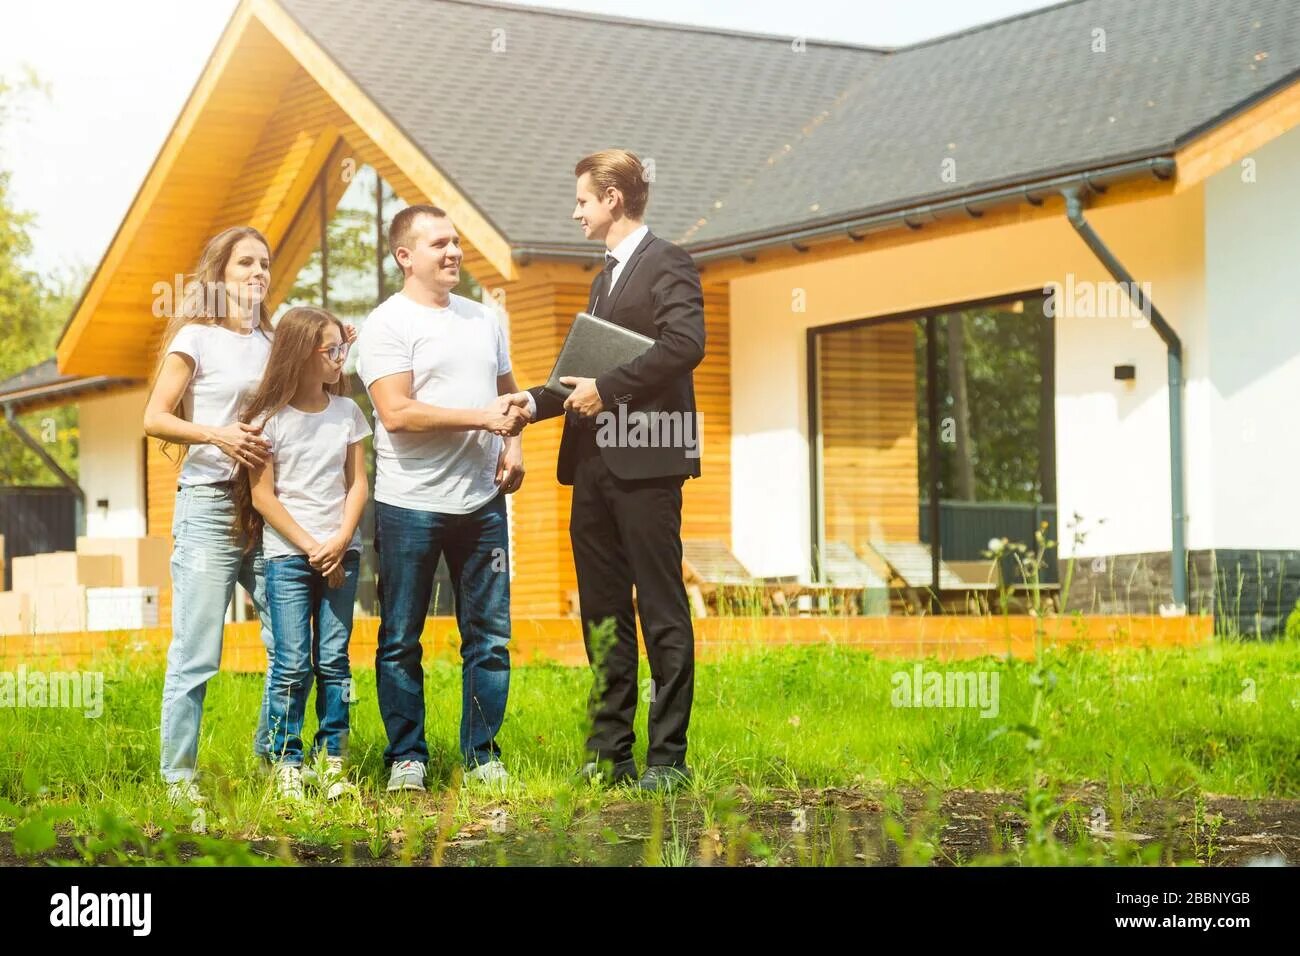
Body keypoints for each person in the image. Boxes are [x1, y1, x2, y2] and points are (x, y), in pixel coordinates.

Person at [508, 149, 706, 792]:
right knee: (602, 610)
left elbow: (685, 346)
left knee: (661, 607)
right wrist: (531, 404)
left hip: (648, 464)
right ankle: (609, 752)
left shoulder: (667, 262)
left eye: (583, 201)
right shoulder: (605, 278)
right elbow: (582, 372)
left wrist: (609, 389)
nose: (575, 212)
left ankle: (667, 760)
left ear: (613, 199)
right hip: (590, 466)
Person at [356, 203, 527, 793]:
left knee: (489, 637)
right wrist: (481, 418)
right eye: (439, 244)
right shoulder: (387, 324)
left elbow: (508, 396)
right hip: (409, 505)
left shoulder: (483, 319)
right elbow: (396, 414)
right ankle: (407, 756)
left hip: (482, 502)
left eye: (455, 242)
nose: (453, 253)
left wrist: (514, 444)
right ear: (406, 256)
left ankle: (482, 755)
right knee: (401, 637)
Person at [143, 226, 281, 805]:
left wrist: (335, 343)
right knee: (197, 649)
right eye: (244, 263)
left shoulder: (276, 342)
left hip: (269, 506)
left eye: (264, 264)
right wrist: (215, 434)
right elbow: (154, 417)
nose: (257, 272)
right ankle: (178, 778)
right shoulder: (196, 338)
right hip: (209, 504)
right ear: (220, 275)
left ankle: (277, 761)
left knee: (289, 641)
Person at [236, 306, 370, 802]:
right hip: (288, 559)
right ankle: (286, 760)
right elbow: (263, 496)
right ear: (301, 354)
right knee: (292, 663)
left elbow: (357, 487)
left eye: (343, 348)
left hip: (342, 554)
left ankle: (332, 757)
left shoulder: (349, 414)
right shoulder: (268, 419)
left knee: (335, 660)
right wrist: (313, 546)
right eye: (331, 350)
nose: (340, 358)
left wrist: (338, 542)